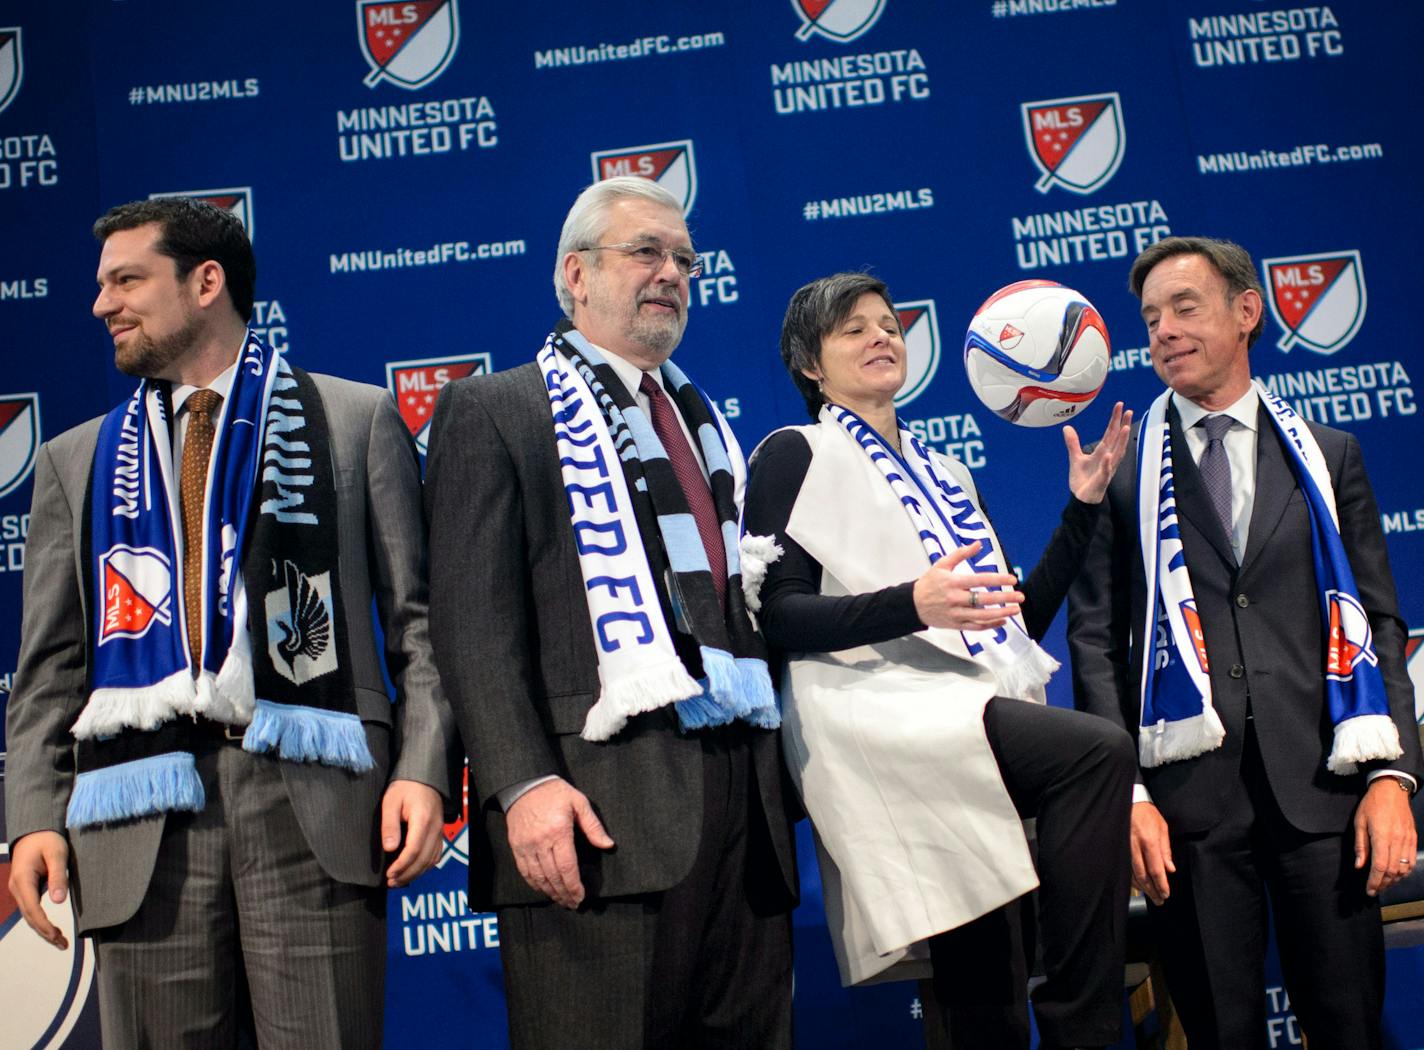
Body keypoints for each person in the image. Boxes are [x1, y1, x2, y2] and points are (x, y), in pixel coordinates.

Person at [4, 197, 458, 1049]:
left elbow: (421, 627)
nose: (102, 304)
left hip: (312, 802)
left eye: (126, 280)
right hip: (138, 813)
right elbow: (49, 670)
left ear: (206, 281)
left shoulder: (353, 421)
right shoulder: (76, 461)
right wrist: (32, 815)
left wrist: (426, 772)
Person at [424, 175, 798, 1049]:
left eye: (684, 260)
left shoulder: (706, 423)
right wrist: (521, 784)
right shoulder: (498, 409)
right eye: (645, 253)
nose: (670, 273)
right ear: (576, 274)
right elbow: (472, 627)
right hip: (594, 814)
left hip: (743, 811)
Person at [742, 271, 1136, 1050]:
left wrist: (1081, 509)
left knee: (982, 965)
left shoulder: (946, 474)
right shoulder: (794, 452)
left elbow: (1011, 618)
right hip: (872, 712)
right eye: (852, 329)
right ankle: (1079, 1023)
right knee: (1096, 751)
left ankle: (1054, 1015)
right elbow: (778, 615)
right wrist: (908, 604)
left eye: (888, 324)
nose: (881, 336)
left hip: (961, 706)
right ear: (810, 365)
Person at [1068, 236, 1422, 1048]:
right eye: (1151, 317)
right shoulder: (1119, 476)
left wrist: (1393, 775)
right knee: (1222, 1032)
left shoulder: (1330, 455)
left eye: (1184, 308)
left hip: (1325, 793)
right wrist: (1128, 798)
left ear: (1247, 312)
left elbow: (1381, 620)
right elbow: (1094, 645)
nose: (1163, 330)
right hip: (1187, 804)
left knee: (1349, 1028)